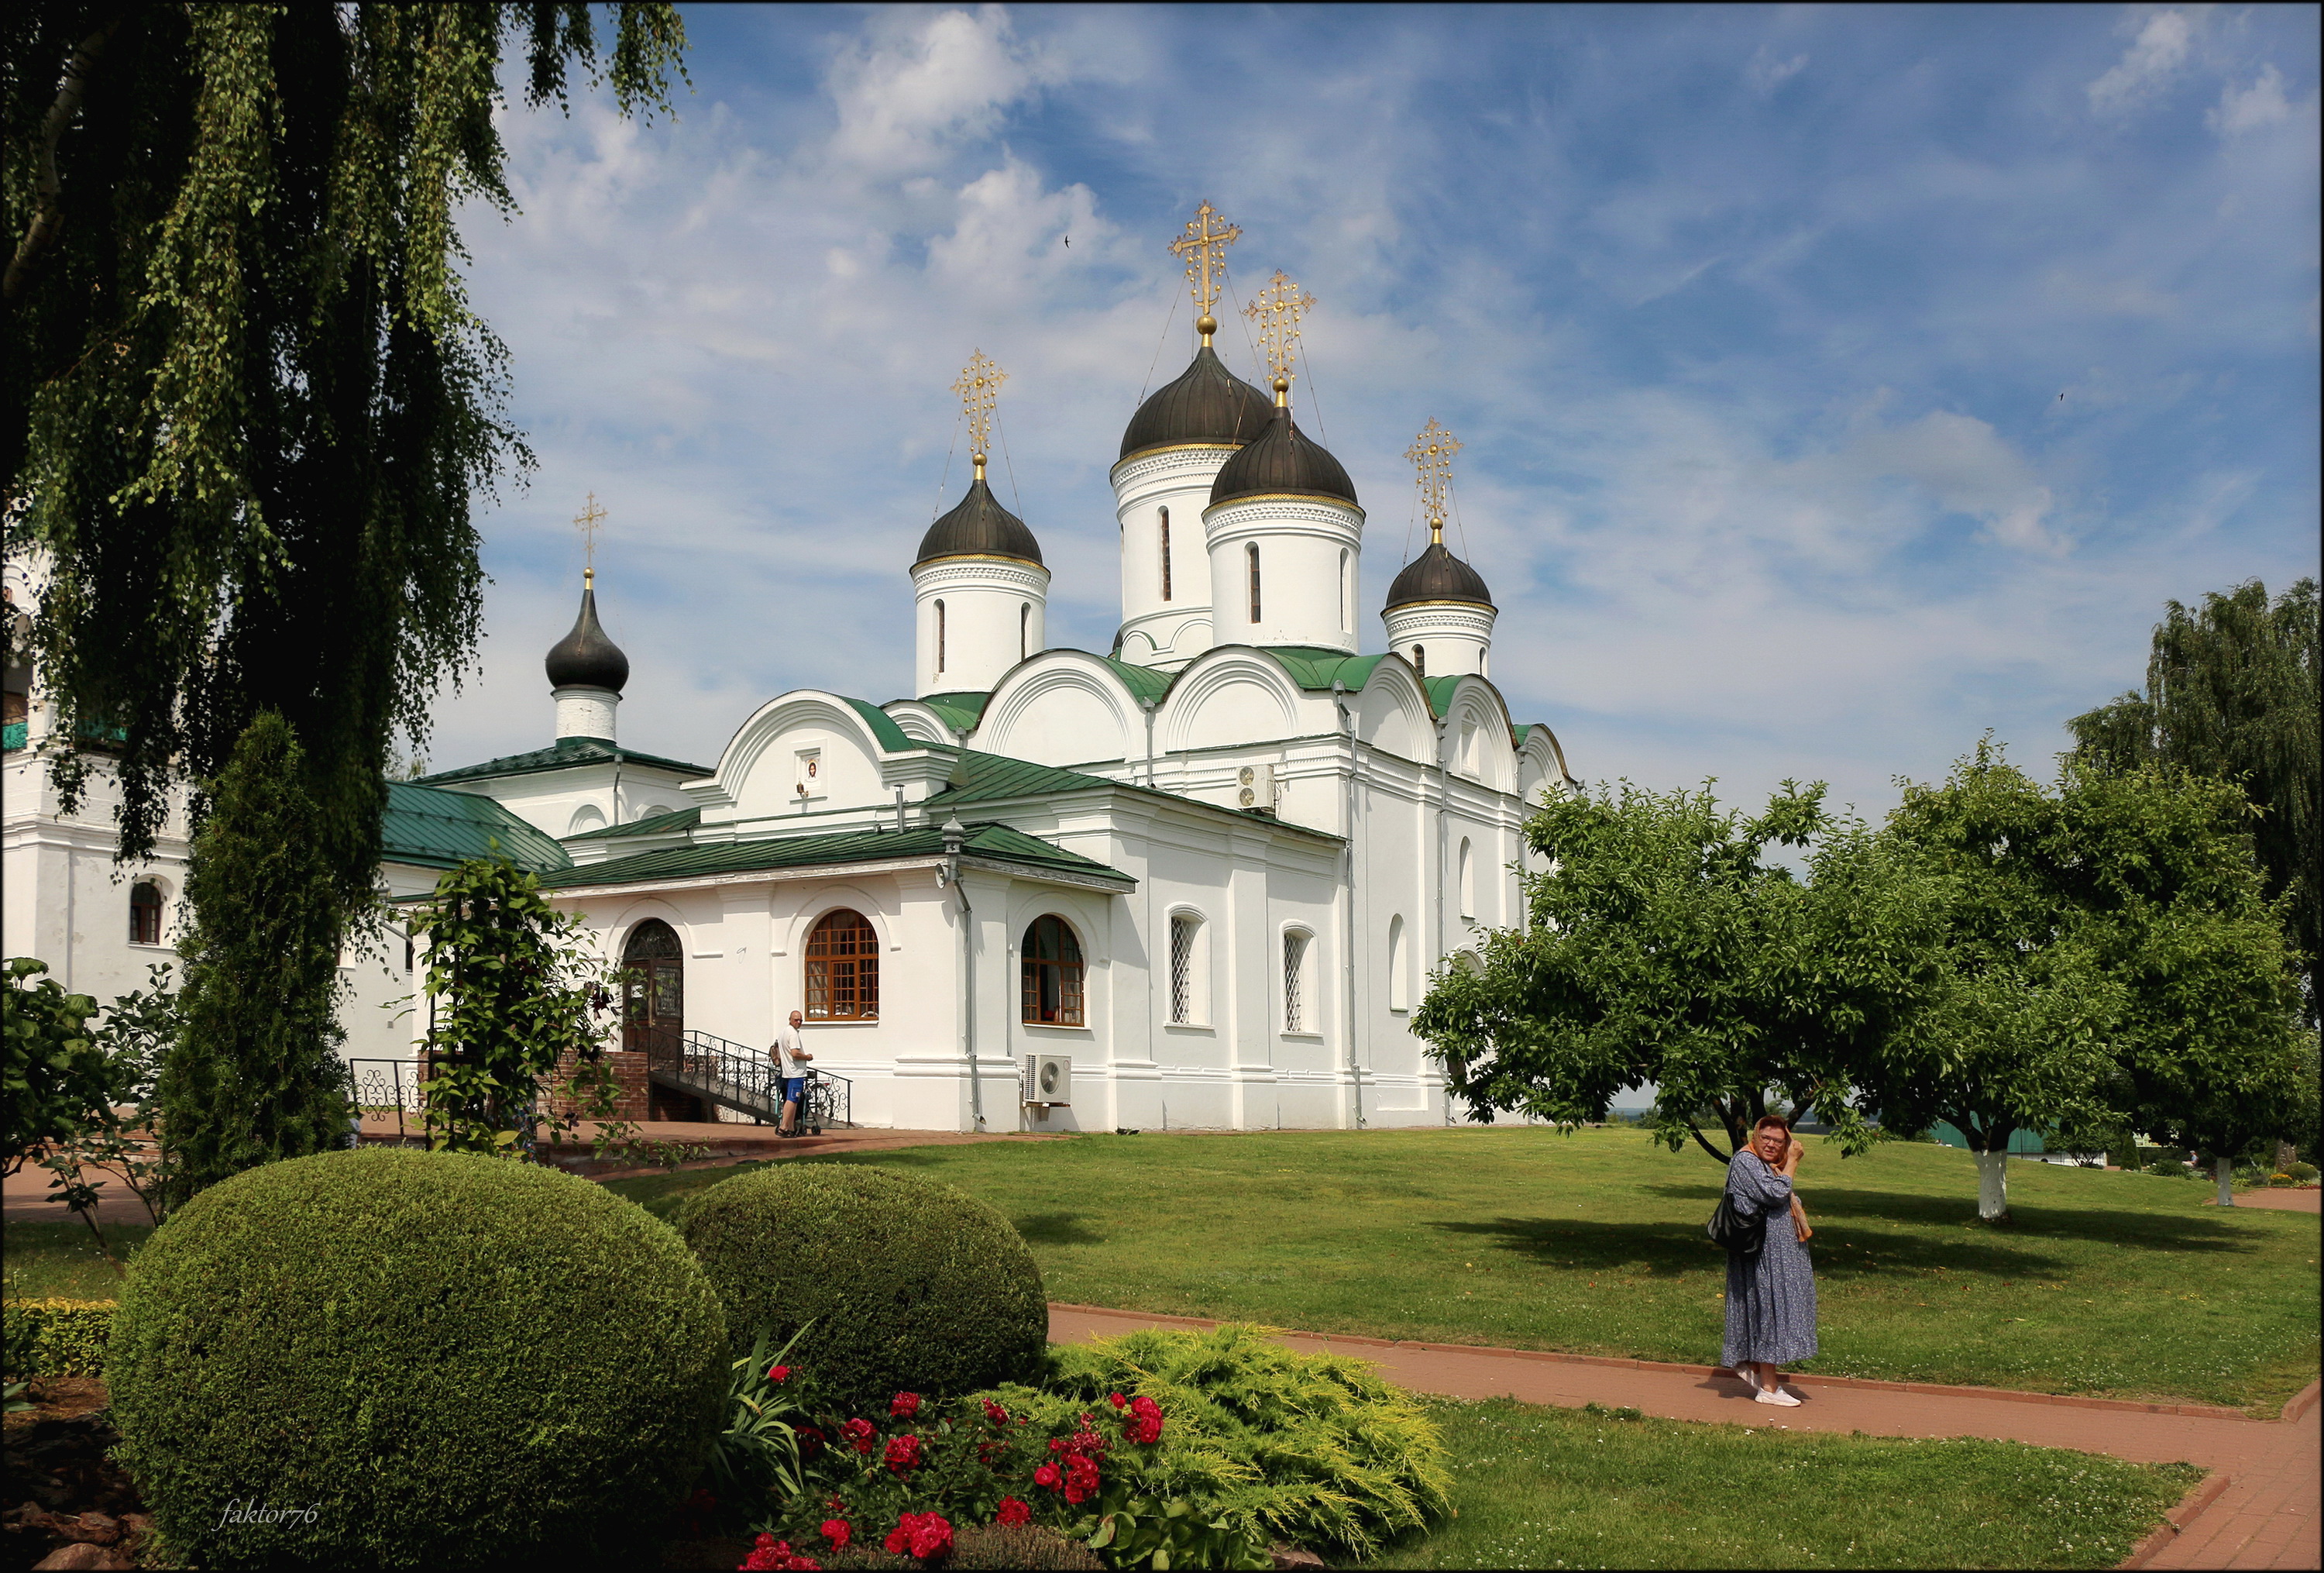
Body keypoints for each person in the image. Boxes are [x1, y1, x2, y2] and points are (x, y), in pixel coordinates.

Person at [1723, 1113, 1817, 1406]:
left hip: (1777, 1253)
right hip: (1764, 1253)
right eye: (1766, 1137)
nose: (1771, 1145)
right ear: (1756, 1136)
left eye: (1779, 1141)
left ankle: (1750, 1365)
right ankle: (1768, 1387)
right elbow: (1777, 1193)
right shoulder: (1746, 1161)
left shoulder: (1766, 1166)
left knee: (1769, 1310)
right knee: (1770, 1311)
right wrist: (1793, 1161)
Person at [772, 1010, 813, 1137]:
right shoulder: (793, 1034)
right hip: (795, 1073)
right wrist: (807, 1057)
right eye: (796, 1020)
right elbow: (795, 1053)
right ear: (790, 1019)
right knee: (792, 1099)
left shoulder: (783, 1032)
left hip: (787, 1072)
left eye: (800, 1020)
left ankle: (790, 1127)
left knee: (792, 1100)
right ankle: (783, 1127)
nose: (799, 1022)